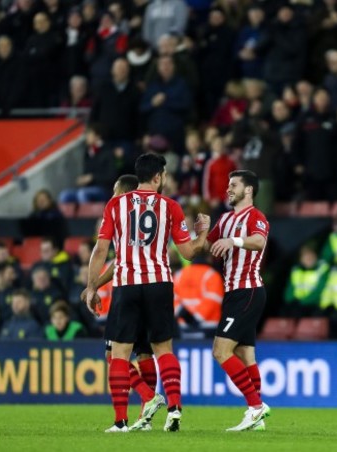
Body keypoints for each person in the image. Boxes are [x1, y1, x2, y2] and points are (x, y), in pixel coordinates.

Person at [85, 154, 210, 433]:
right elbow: (189, 253)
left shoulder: (116, 204)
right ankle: (174, 407)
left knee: (119, 354)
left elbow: (101, 250)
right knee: (162, 349)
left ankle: (120, 422)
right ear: (158, 177)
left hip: (127, 283)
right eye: (163, 174)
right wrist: (202, 234)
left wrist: (92, 286)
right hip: (159, 283)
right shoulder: (171, 207)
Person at [206, 170, 271, 431]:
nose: (228, 189)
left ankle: (255, 407)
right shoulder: (224, 219)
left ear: (249, 190)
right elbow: (205, 246)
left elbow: (258, 242)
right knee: (245, 354)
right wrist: (196, 232)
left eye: (234, 185)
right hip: (233, 294)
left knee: (221, 351)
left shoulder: (256, 217)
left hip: (249, 291)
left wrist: (232, 240)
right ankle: (256, 417)